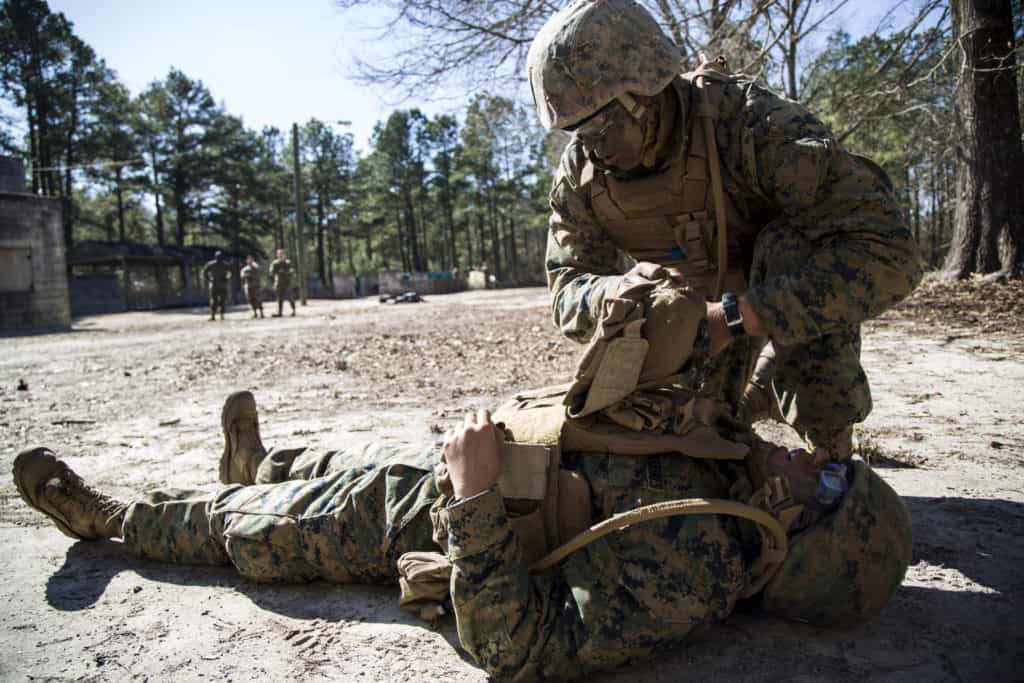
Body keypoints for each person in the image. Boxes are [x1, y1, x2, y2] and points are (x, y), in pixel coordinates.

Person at [12, 278, 911, 681]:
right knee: (352, 468)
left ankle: (116, 518)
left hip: (444, 514)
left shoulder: (696, 561)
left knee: (250, 528)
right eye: (842, 464)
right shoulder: (741, 469)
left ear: (800, 541)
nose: (823, 458)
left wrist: (475, 500)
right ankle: (267, 462)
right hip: (473, 462)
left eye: (833, 486)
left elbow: (521, 649)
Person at [529, 0, 924, 460]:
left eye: (599, 125)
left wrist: (743, 315)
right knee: (686, 441)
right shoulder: (581, 175)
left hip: (766, 296)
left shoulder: (755, 128)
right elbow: (567, 287)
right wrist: (620, 294)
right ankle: (754, 396)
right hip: (690, 328)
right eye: (574, 133)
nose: (591, 149)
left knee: (788, 246)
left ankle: (828, 449)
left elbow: (890, 255)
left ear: (647, 92)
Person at [201, 251, 232, 321]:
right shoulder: (211, 264)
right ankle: (213, 315)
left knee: (222, 301)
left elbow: (231, 272)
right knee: (214, 301)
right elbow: (204, 272)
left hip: (222, 285)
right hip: (214, 285)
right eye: (218, 257)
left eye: (220, 257)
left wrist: (227, 278)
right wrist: (209, 279)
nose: (219, 258)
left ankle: (221, 315)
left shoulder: (225, 265)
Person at [269, 249, 296, 317]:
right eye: (279, 254)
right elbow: (271, 273)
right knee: (279, 298)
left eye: (282, 254)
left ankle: (293, 311)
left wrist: (286, 272)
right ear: (277, 255)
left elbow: (292, 271)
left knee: (290, 297)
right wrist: (277, 274)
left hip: (287, 283)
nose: (281, 256)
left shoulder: (288, 263)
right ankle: (280, 312)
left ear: (284, 255)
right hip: (278, 283)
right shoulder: (275, 263)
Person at [240, 255, 265, 319]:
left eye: (251, 259)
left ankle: (261, 313)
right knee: (251, 300)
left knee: (258, 299)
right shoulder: (245, 269)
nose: (249, 261)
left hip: (256, 286)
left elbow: (260, 273)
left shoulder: (256, 267)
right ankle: (255, 313)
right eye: (248, 259)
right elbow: (242, 277)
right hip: (249, 287)